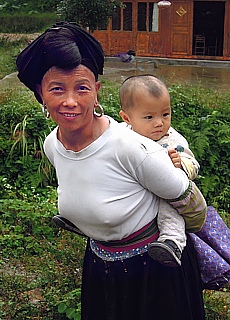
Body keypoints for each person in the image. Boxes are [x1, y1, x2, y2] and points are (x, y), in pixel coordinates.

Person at [16, 22, 206, 320]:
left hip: (156, 273)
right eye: (56, 89)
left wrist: (175, 238)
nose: (70, 101)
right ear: (41, 94)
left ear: (96, 91)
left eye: (81, 87)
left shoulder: (131, 147)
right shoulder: (53, 144)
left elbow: (191, 201)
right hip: (100, 266)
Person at [119, 74, 200, 267]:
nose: (159, 123)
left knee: (169, 207)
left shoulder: (172, 141)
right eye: (149, 117)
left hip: (163, 193)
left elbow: (193, 164)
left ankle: (172, 243)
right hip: (134, 192)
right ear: (126, 118)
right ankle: (86, 218)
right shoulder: (121, 134)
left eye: (165, 114)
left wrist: (181, 164)